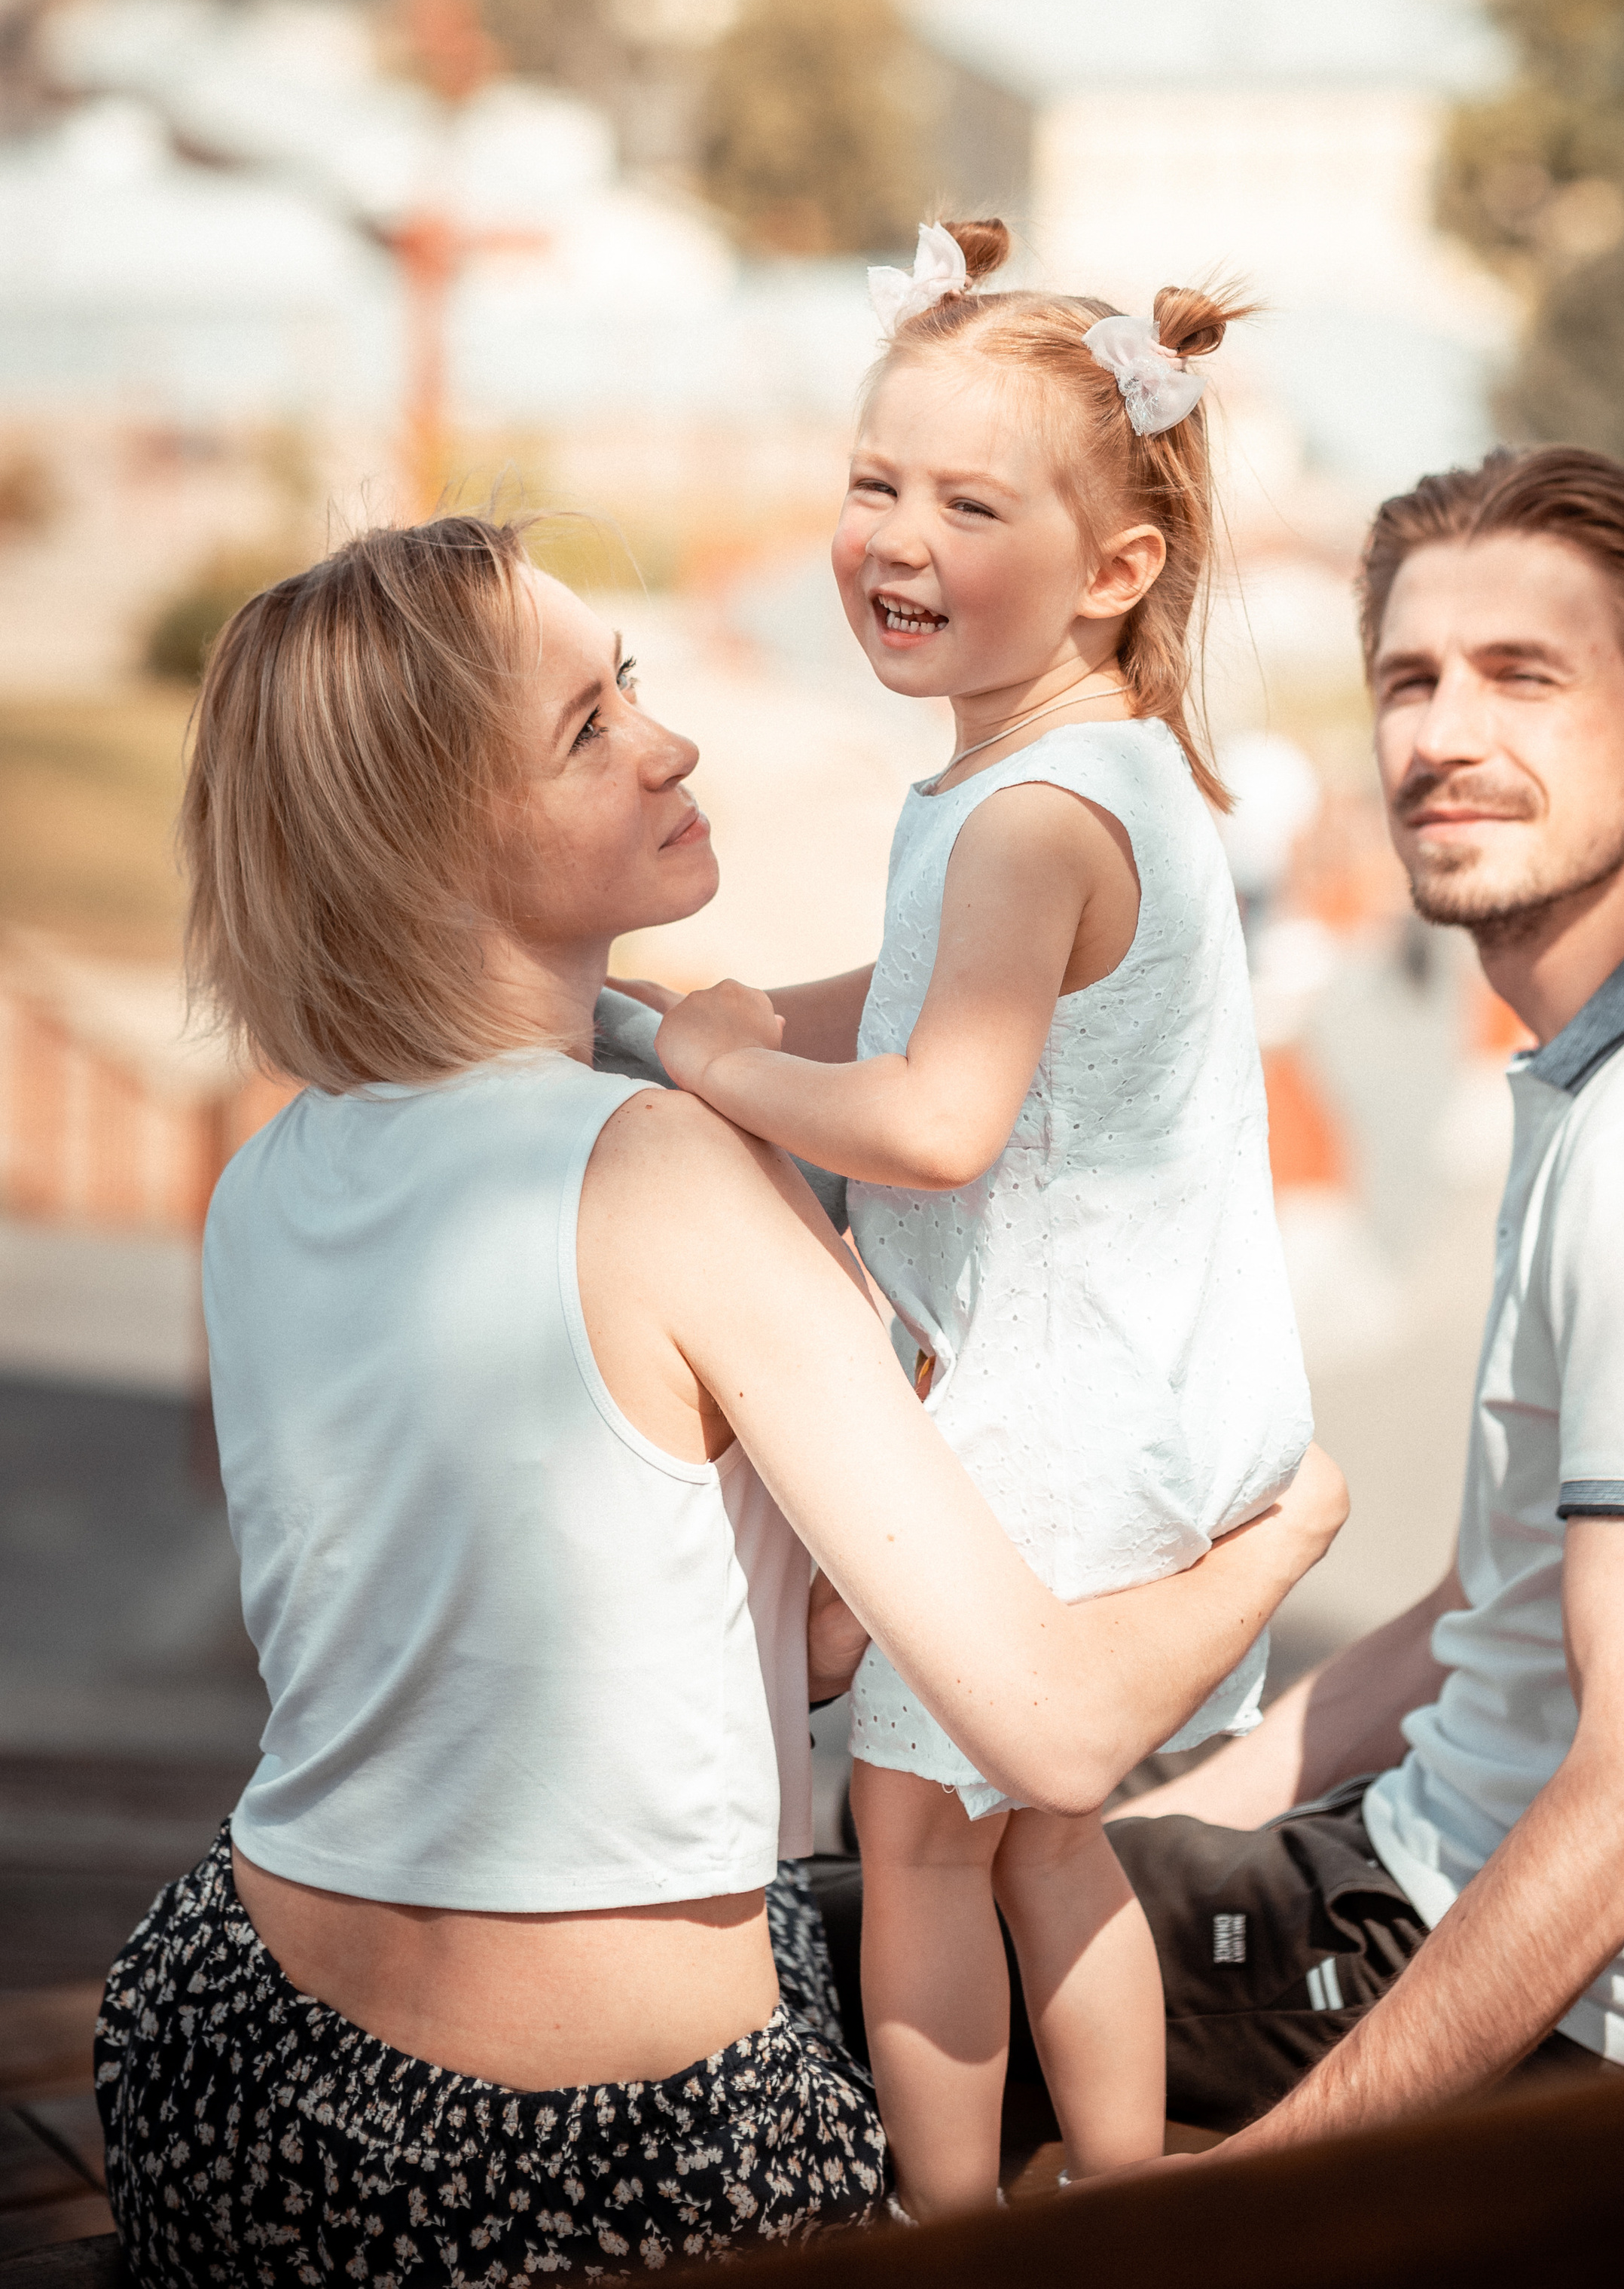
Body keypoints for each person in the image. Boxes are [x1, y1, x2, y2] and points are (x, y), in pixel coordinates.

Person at [93, 514, 1346, 2286]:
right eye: (588, 730)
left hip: (218, 2048)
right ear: (431, 838)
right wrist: (1287, 1530)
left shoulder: (266, 1180)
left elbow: (688, 1641)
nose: (668, 744)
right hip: (602, 2153)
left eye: (631, 687)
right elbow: (1052, 1736)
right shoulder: (667, 1171)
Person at [1107, 444, 1624, 2147]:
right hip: (1463, 1873)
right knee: (1014, 1876)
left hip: (1570, 2004)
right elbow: (1485, 1610)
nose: (1442, 735)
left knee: (807, 1979)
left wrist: (1250, 2207)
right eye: (1411, 679)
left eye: (1521, 677)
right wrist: (1161, 1835)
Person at [652, 220, 1314, 2219]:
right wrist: (755, 1013)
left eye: (968, 504)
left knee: (919, 1834)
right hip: (1133, 1386)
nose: (898, 539)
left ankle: (950, 2235)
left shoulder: (1028, 816)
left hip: (1049, 1409)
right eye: (875, 484)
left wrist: (718, 1073)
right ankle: (1121, 2190)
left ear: (1117, 568)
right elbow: (943, 1003)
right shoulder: (1084, 769)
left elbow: (940, 1120)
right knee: (1040, 1830)